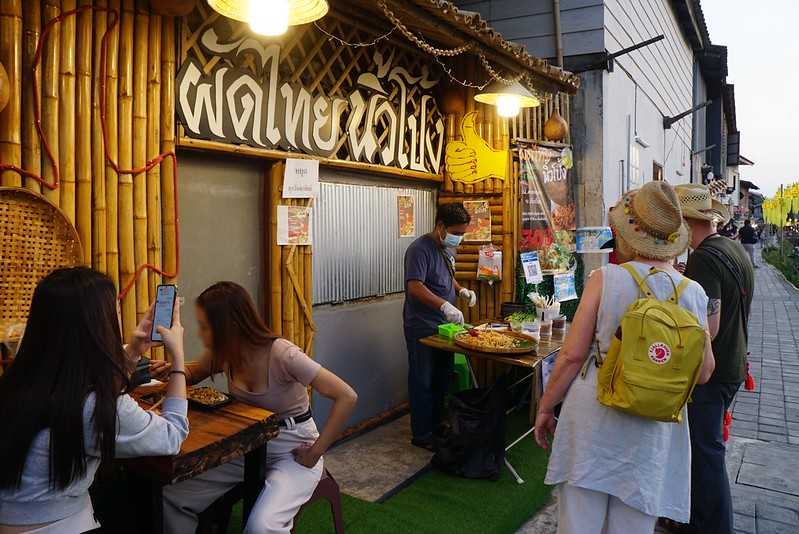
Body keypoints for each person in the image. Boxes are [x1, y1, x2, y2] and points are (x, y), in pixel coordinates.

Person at [534, 182, 715, 534]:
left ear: (628, 233)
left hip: (595, 415)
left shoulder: (606, 278)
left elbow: (571, 356)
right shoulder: (693, 292)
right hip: (655, 425)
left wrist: (546, 406)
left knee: (578, 523)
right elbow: (706, 371)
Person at [0, 267, 189, 534]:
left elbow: (88, 380)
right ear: (98, 325)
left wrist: (134, 351)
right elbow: (172, 436)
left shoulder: (20, 377)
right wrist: (178, 358)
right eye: (115, 311)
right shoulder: (96, 407)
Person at [160, 282, 357, 534]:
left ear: (229, 327)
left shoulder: (283, 354)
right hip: (247, 447)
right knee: (172, 496)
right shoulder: (224, 352)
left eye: (205, 327)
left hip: (293, 450)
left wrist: (316, 452)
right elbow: (192, 372)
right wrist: (171, 369)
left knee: (261, 526)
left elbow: (347, 396)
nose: (200, 334)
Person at [676, 184, 754, 534]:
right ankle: (698, 519)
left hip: (713, 371)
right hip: (734, 363)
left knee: (705, 454)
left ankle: (710, 527)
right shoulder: (732, 248)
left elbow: (708, 326)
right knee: (707, 450)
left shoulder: (704, 258)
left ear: (687, 221)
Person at [403, 203, 477, 450]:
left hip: (445, 328)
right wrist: (444, 305)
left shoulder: (447, 249)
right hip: (422, 327)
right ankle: (422, 434)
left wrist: (461, 290)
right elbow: (415, 286)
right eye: (457, 232)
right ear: (441, 226)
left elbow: (447, 276)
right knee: (423, 380)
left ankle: (437, 425)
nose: (460, 237)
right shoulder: (419, 249)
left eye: (463, 233)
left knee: (442, 378)